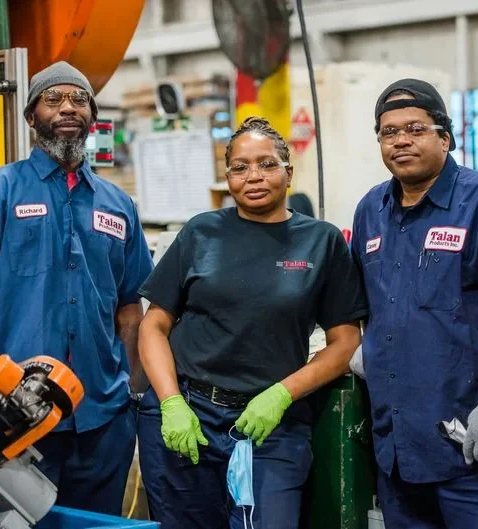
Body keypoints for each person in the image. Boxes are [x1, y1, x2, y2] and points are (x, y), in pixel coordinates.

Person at [0, 61, 153, 515]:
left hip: (102, 417)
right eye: (53, 99)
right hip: (14, 416)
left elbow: (130, 309)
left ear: (93, 117)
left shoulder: (119, 205)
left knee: (96, 525)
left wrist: (130, 397)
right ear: (31, 117)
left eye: (79, 99)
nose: (68, 108)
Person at [136, 116, 368, 529]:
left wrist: (282, 394)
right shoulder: (201, 233)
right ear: (227, 178)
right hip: (189, 413)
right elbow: (154, 326)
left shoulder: (321, 241)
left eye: (266, 164)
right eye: (240, 168)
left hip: (271, 424)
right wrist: (170, 402)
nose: (253, 176)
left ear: (288, 172)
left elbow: (345, 342)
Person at [350, 79, 478, 529]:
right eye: (389, 132)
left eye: (415, 128)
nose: (401, 140)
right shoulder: (372, 209)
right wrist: (366, 349)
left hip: (477, 445)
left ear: (444, 137)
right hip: (402, 450)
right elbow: (371, 304)